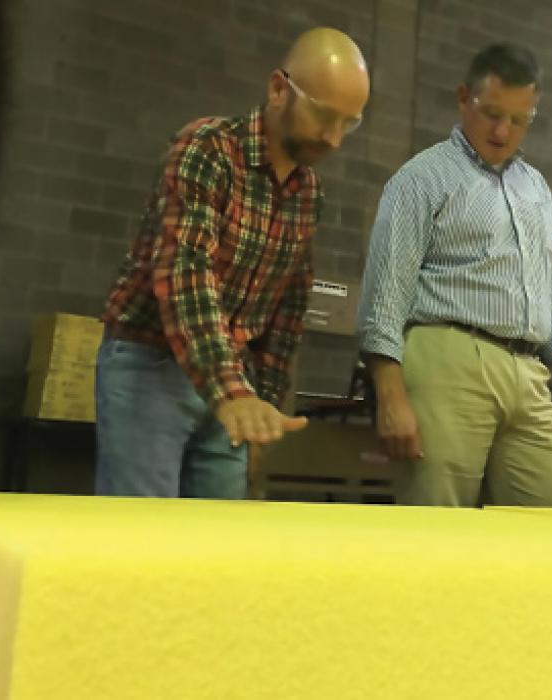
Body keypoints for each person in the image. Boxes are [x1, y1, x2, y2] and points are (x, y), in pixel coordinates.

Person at [96, 27, 370, 499]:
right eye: (324, 116)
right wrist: (231, 392)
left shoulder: (308, 194)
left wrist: (261, 404)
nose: (334, 139)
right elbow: (186, 273)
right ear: (279, 89)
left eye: (350, 123)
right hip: (151, 363)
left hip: (231, 378)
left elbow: (286, 312)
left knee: (217, 540)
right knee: (140, 539)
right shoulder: (207, 149)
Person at [357, 42, 552, 507]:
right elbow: (385, 294)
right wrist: (391, 394)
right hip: (448, 360)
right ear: (464, 98)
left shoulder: (537, 190)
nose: (503, 131)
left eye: (520, 120)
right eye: (491, 113)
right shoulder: (422, 178)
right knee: (437, 529)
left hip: (529, 374)